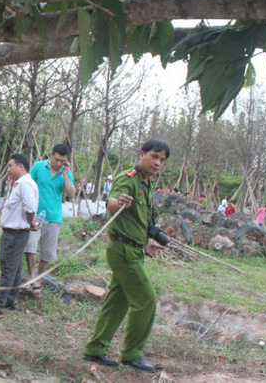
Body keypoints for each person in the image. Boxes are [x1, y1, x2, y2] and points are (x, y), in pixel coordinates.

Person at [83, 139, 170, 372]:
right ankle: (132, 353)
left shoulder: (147, 184)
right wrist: (118, 202)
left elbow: (137, 222)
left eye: (162, 160)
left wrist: (145, 245)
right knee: (147, 300)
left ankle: (95, 349)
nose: (157, 162)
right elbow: (112, 202)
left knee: (117, 302)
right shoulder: (128, 178)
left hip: (134, 249)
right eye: (154, 156)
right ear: (141, 154)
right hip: (122, 251)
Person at [0, 154, 39, 315]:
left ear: (21, 166)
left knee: (8, 268)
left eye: (10, 166)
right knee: (15, 269)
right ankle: (9, 300)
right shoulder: (21, 184)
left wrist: (29, 222)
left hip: (15, 233)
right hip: (16, 233)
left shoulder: (25, 184)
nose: (8, 170)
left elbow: (30, 207)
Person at [25, 144, 76, 296]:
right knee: (30, 246)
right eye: (57, 159)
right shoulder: (38, 167)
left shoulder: (65, 173)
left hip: (53, 217)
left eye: (63, 161)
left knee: (47, 252)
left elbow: (71, 194)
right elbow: (28, 184)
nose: (59, 163)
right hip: (35, 214)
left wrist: (66, 174)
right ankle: (31, 275)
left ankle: (39, 279)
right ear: (51, 154)